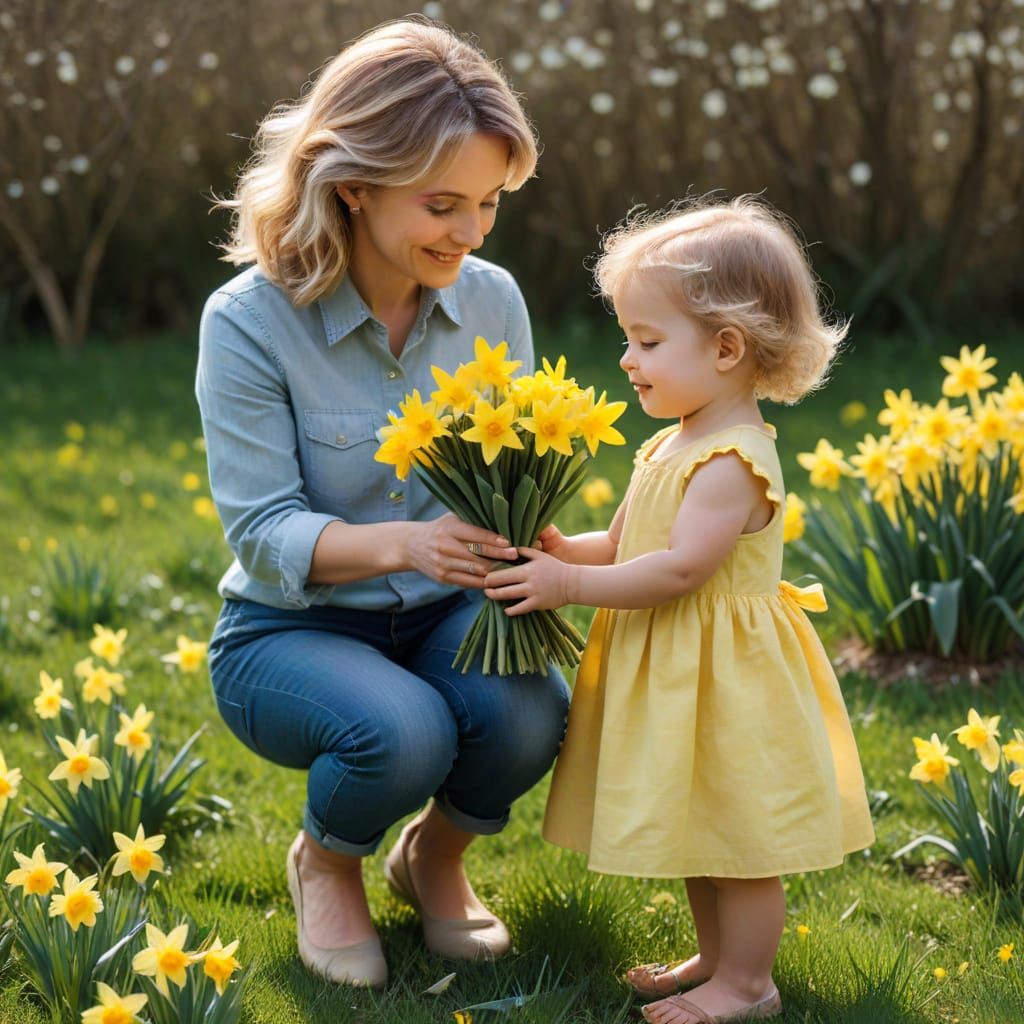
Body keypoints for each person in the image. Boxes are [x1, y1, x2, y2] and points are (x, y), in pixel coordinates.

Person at [195, 18, 570, 990]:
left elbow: (507, 473)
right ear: (352, 183)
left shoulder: (490, 301)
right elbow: (261, 529)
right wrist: (405, 541)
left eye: (489, 202)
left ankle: (432, 857)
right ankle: (328, 858)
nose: (474, 232)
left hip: (444, 609)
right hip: (288, 629)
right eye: (443, 203)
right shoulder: (248, 322)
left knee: (531, 711)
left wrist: (538, 539)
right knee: (403, 731)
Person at [483, 196, 876, 1023]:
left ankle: (749, 984)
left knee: (739, 841)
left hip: (726, 679)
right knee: (704, 828)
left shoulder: (733, 458)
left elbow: (678, 571)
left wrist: (568, 589)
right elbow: (627, 547)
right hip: (682, 672)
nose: (628, 359)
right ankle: (717, 959)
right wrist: (560, 549)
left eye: (649, 341)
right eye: (629, 336)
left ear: (728, 348)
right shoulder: (673, 440)